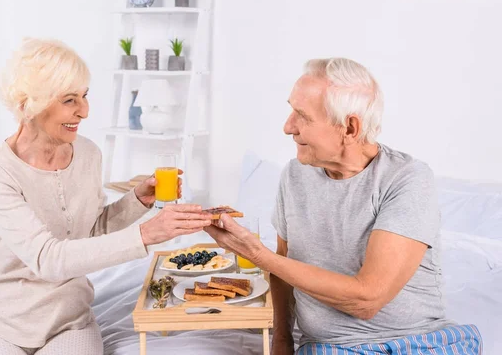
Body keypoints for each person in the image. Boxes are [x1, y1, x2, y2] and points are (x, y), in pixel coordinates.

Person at [205, 58, 482, 354]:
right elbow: (284, 267)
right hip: (333, 347)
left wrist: (256, 254)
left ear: (350, 127)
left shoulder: (407, 179)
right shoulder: (294, 176)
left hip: (418, 342)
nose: (288, 127)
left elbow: (366, 300)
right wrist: (282, 340)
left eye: (302, 116)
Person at [0, 38, 213, 355]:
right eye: (69, 100)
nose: (85, 111)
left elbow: (89, 234)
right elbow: (48, 260)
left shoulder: (88, 154)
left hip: (69, 322)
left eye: (84, 96)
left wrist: (137, 201)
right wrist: (147, 233)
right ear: (30, 104)